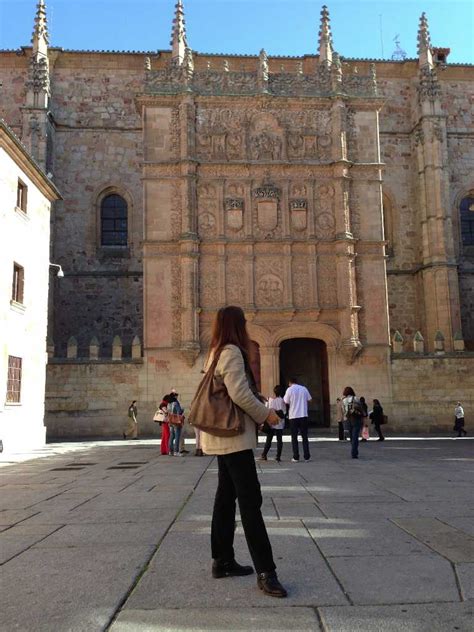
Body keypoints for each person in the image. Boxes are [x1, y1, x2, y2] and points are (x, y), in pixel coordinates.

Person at [200, 305, 287, 598]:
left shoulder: (215, 351)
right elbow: (238, 394)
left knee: (225, 498)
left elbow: (229, 390)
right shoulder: (232, 352)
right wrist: (267, 414)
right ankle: (266, 572)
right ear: (238, 325)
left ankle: (222, 560)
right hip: (234, 437)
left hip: (221, 437)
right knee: (251, 501)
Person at [283, 377, 312, 462]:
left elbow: (286, 401)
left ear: (290, 383)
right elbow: (310, 399)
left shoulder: (289, 389)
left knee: (294, 437)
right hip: (303, 415)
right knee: (305, 437)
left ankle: (296, 457)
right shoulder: (304, 388)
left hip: (293, 416)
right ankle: (307, 456)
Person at [258, 385, 286, 462]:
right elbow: (284, 412)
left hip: (271, 423)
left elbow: (266, 409)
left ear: (274, 391)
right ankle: (278, 456)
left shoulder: (269, 400)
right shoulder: (282, 400)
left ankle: (264, 455)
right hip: (279, 423)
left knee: (269, 439)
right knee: (279, 440)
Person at [342, 386, 363, 459]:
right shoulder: (356, 399)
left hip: (348, 419)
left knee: (351, 437)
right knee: (355, 437)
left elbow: (344, 411)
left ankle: (354, 450)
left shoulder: (344, 400)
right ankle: (354, 452)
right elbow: (361, 409)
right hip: (356, 419)